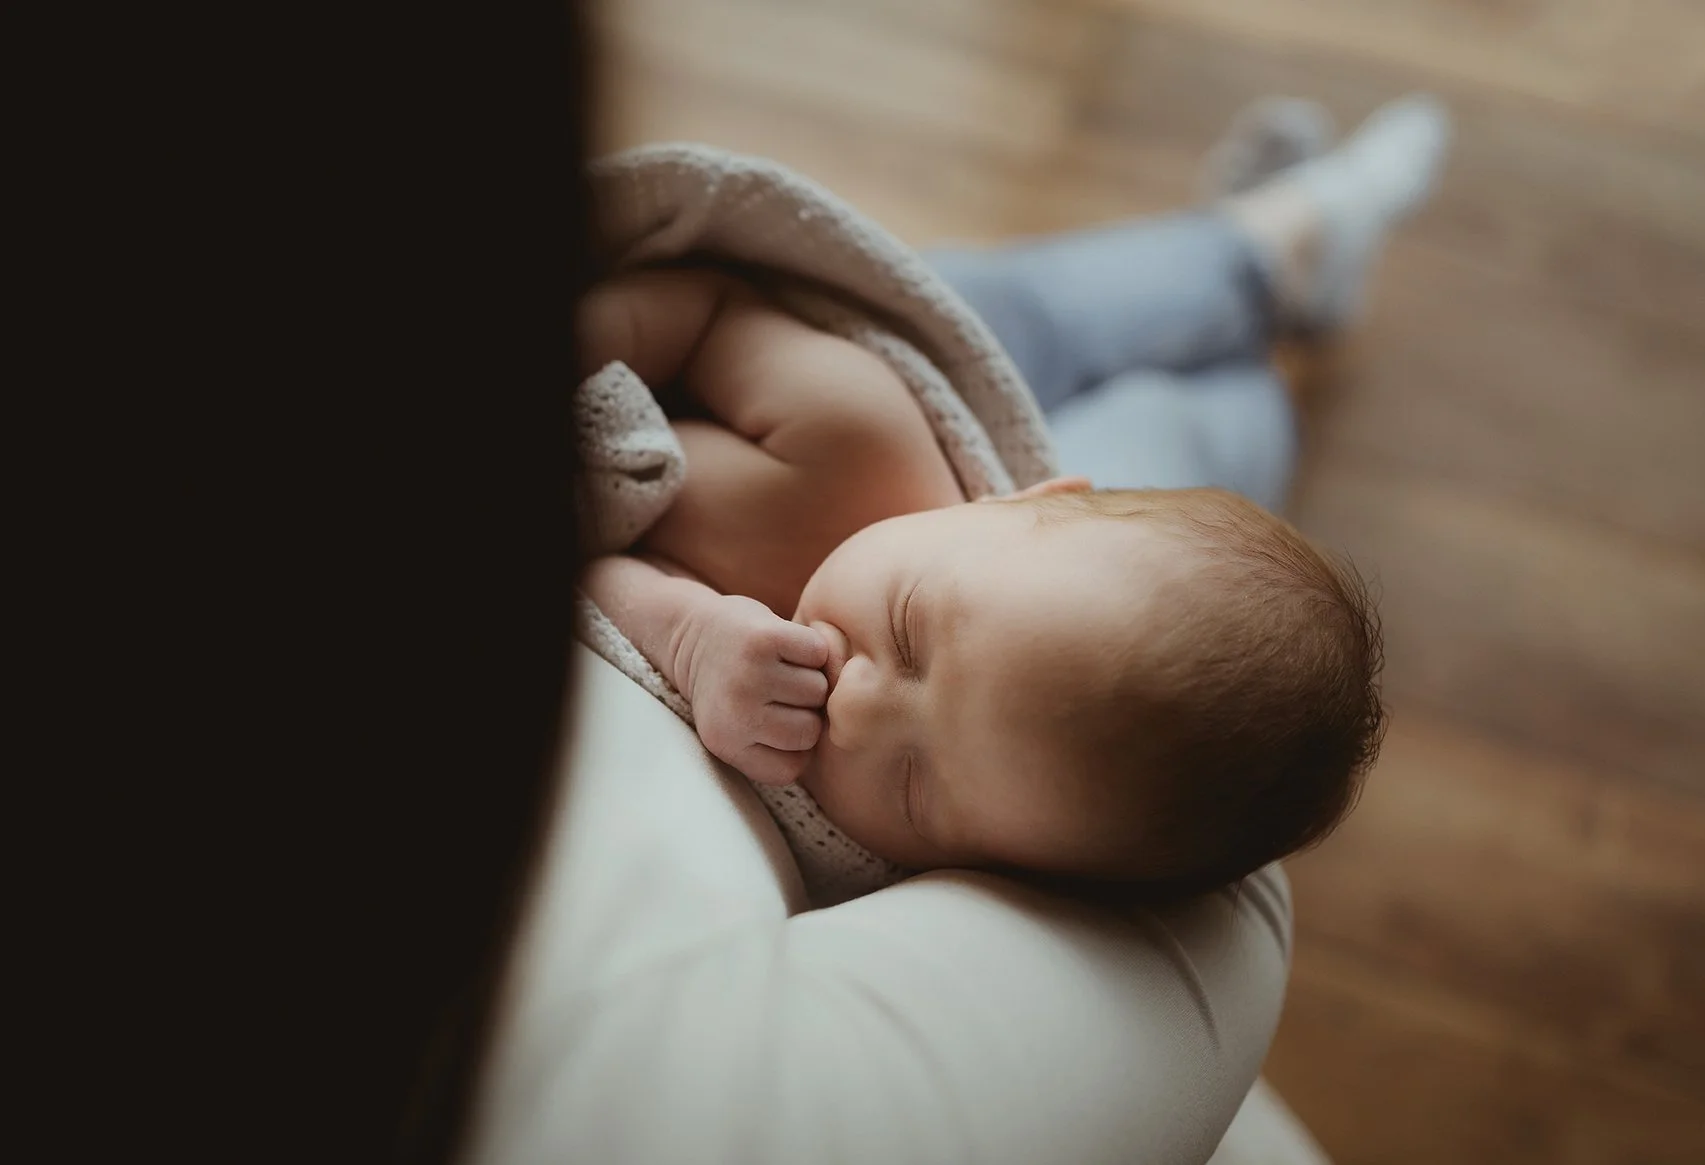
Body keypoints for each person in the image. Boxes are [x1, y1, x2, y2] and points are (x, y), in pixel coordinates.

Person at [581, 95, 1450, 899]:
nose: (853, 707)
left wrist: (690, 641)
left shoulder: (870, 793)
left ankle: (1270, 343)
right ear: (1017, 500)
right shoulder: (852, 434)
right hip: (972, 362)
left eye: (914, 786)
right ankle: (1290, 235)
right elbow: (706, 311)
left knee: (1212, 433)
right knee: (1077, 316)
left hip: (1043, 577)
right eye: (910, 629)